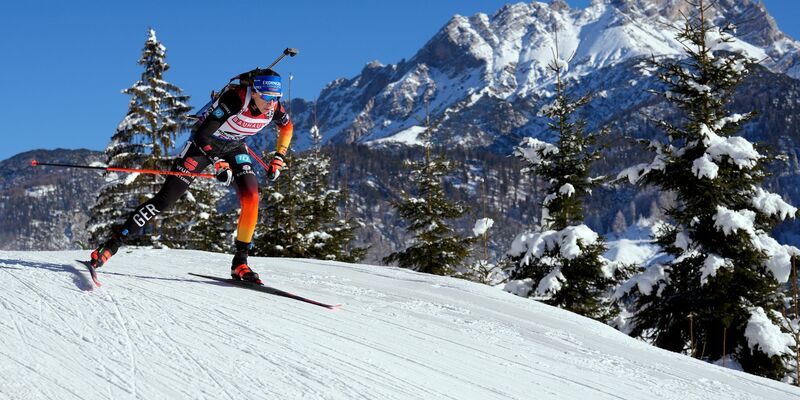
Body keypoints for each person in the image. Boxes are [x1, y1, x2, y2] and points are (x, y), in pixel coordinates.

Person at [89, 68, 293, 284]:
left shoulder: (274, 109)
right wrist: (218, 162)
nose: (272, 104)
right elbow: (202, 133)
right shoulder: (235, 100)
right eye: (268, 98)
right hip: (204, 146)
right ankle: (111, 245)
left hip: (234, 147)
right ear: (256, 92)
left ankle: (240, 263)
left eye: (276, 98)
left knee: (252, 197)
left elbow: (287, 128)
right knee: (165, 200)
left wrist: (279, 157)